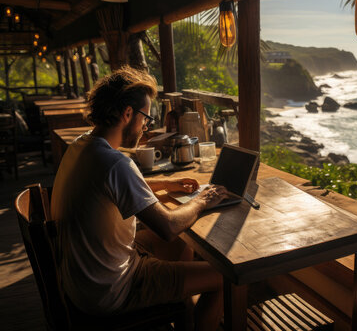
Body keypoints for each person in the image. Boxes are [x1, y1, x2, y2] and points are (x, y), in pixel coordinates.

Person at [51, 66, 227, 331]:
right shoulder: (115, 163)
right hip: (111, 290)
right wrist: (203, 199)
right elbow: (168, 227)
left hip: (83, 280)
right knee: (222, 276)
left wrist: (165, 183)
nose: (147, 126)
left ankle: (184, 315)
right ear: (127, 113)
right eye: (146, 117)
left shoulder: (82, 146)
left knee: (184, 247)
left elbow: (109, 186)